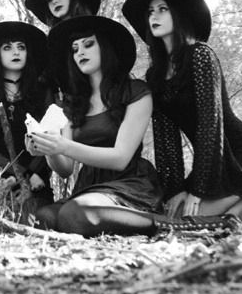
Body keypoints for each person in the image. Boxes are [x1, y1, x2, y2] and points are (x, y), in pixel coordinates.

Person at [121, 0, 242, 223]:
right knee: (173, 213)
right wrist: (175, 189)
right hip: (207, 162)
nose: (154, 16)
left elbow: (210, 125)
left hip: (238, 156)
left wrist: (198, 189)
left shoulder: (201, 56)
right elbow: (165, 139)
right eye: (150, 11)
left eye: (162, 9)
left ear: (179, 15)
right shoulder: (155, 75)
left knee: (194, 219)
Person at [26, 15, 165, 237]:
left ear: (106, 48)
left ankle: (164, 223)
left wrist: (62, 146)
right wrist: (47, 147)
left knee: (74, 214)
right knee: (44, 218)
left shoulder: (136, 92)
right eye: (75, 49)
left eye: (88, 44)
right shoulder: (74, 103)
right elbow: (65, 169)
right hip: (89, 185)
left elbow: (121, 158)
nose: (80, 52)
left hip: (130, 182)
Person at [0, 21, 54, 220]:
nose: (16, 52)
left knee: (36, 223)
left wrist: (35, 173)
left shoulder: (43, 94)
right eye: (7, 47)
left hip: (37, 182)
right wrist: (22, 175)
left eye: (21, 47)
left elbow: (52, 138)